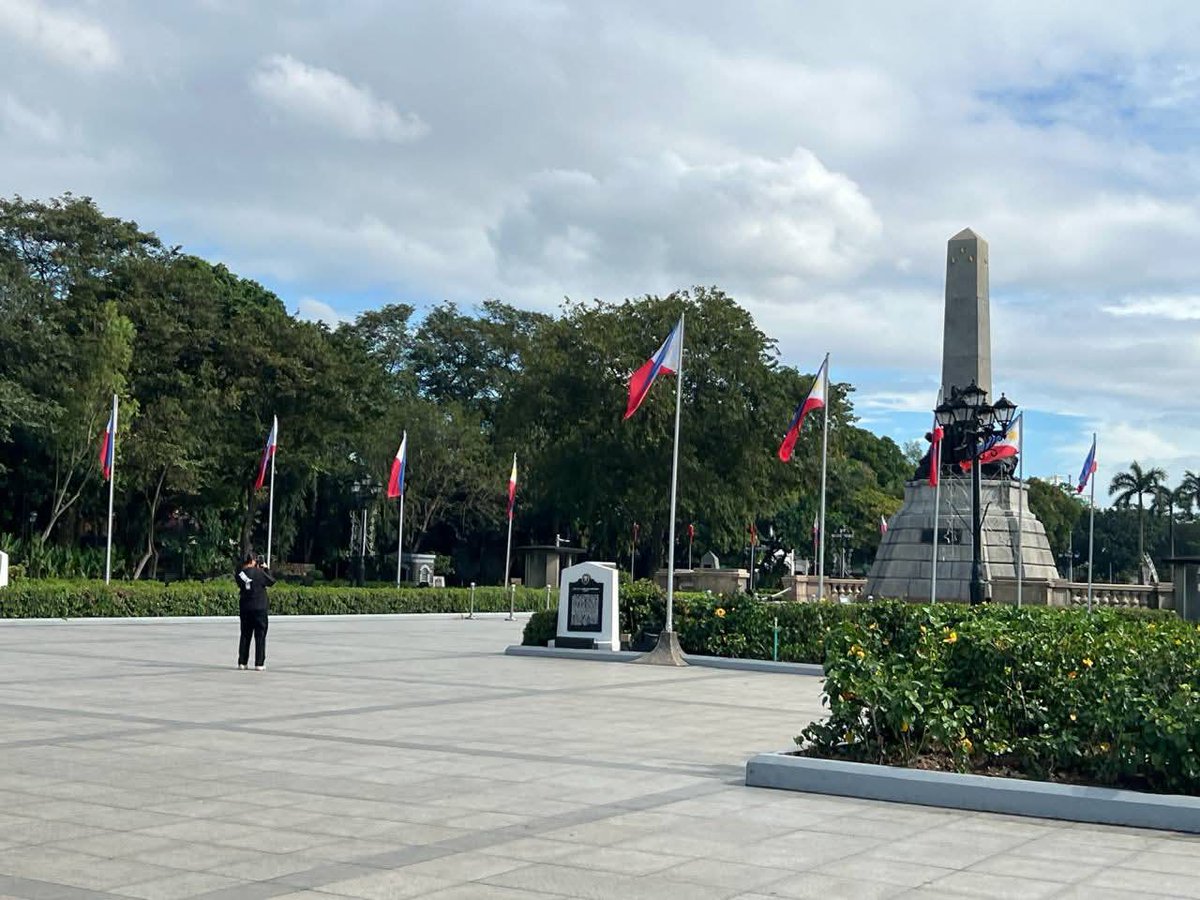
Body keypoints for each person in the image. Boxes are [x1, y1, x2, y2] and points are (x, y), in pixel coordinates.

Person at [235, 551, 275, 670]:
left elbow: (241, 582)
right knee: (260, 636)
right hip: (260, 608)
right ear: (253, 561)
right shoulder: (259, 573)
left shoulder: (240, 574)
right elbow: (271, 581)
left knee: (245, 635)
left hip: (246, 608)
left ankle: (242, 662)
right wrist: (266, 569)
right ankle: (259, 663)